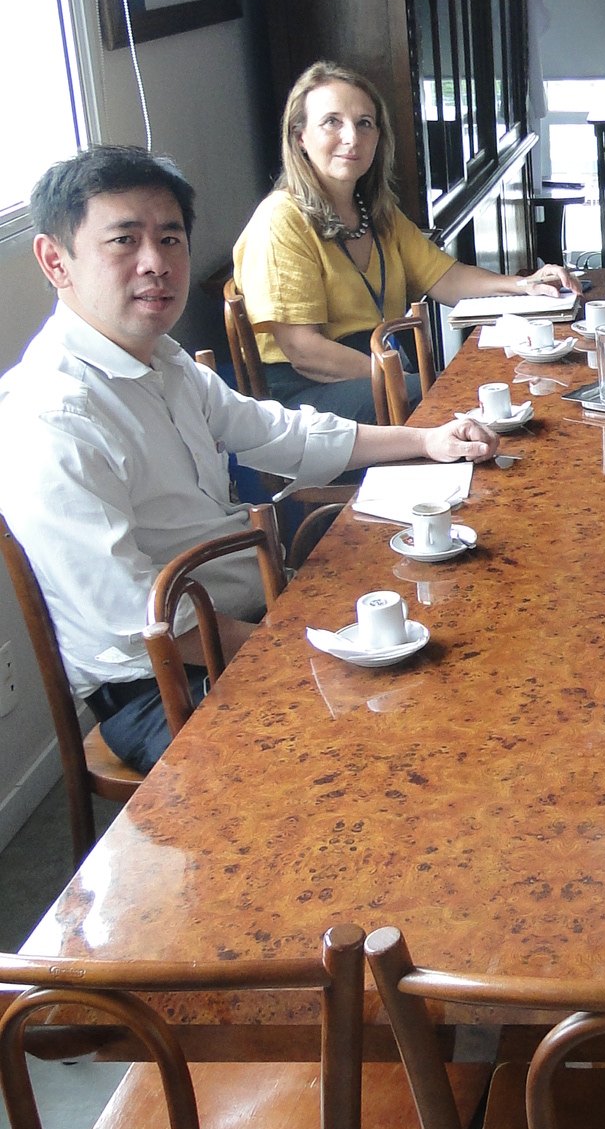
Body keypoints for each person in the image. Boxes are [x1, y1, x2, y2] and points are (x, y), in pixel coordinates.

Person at [0, 147, 500, 775]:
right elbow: (138, 624)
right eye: (123, 241)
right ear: (56, 261)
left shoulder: (161, 360)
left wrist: (425, 440)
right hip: (167, 682)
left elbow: (279, 432)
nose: (155, 263)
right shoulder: (52, 418)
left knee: (463, 623)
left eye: (170, 238)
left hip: (257, 607)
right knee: (383, 752)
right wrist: (300, 648)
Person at [234, 61, 574, 421]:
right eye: (332, 121)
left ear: (379, 138)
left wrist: (523, 285)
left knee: (511, 383)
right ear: (299, 136)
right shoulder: (280, 220)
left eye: (364, 123)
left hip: (378, 372)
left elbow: (448, 279)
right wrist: (410, 380)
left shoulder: (376, 212)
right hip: (310, 395)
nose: (352, 137)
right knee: (466, 403)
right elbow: (307, 353)